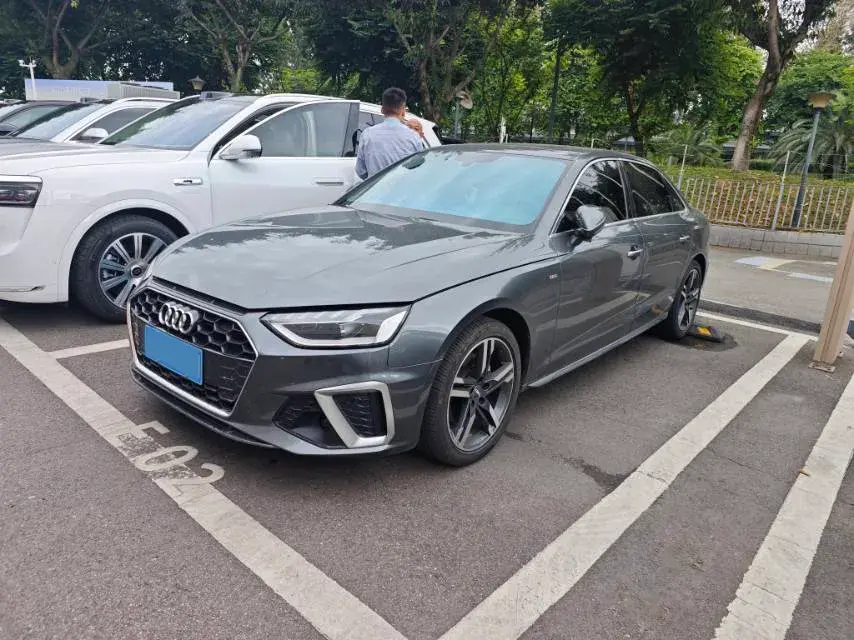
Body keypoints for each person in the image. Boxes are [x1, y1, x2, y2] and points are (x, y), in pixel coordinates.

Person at [355, 87, 426, 180]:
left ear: (382, 110)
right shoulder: (413, 137)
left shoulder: (367, 135)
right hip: (403, 191)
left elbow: (360, 171)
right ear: (403, 112)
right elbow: (419, 169)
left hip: (376, 191)